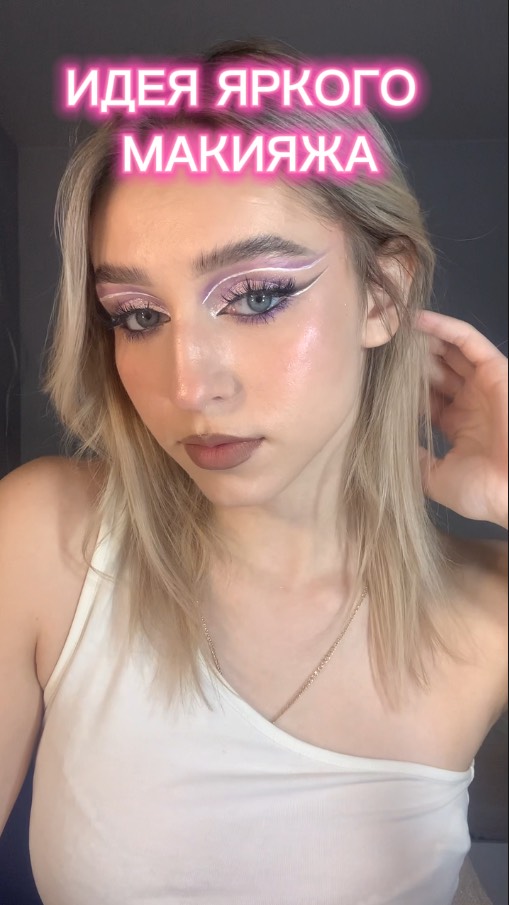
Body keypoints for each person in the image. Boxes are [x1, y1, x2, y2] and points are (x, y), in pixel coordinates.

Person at [0, 39, 507, 905]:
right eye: (137, 315)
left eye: (258, 295)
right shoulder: (45, 538)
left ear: (383, 294)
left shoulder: (489, 613)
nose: (190, 385)